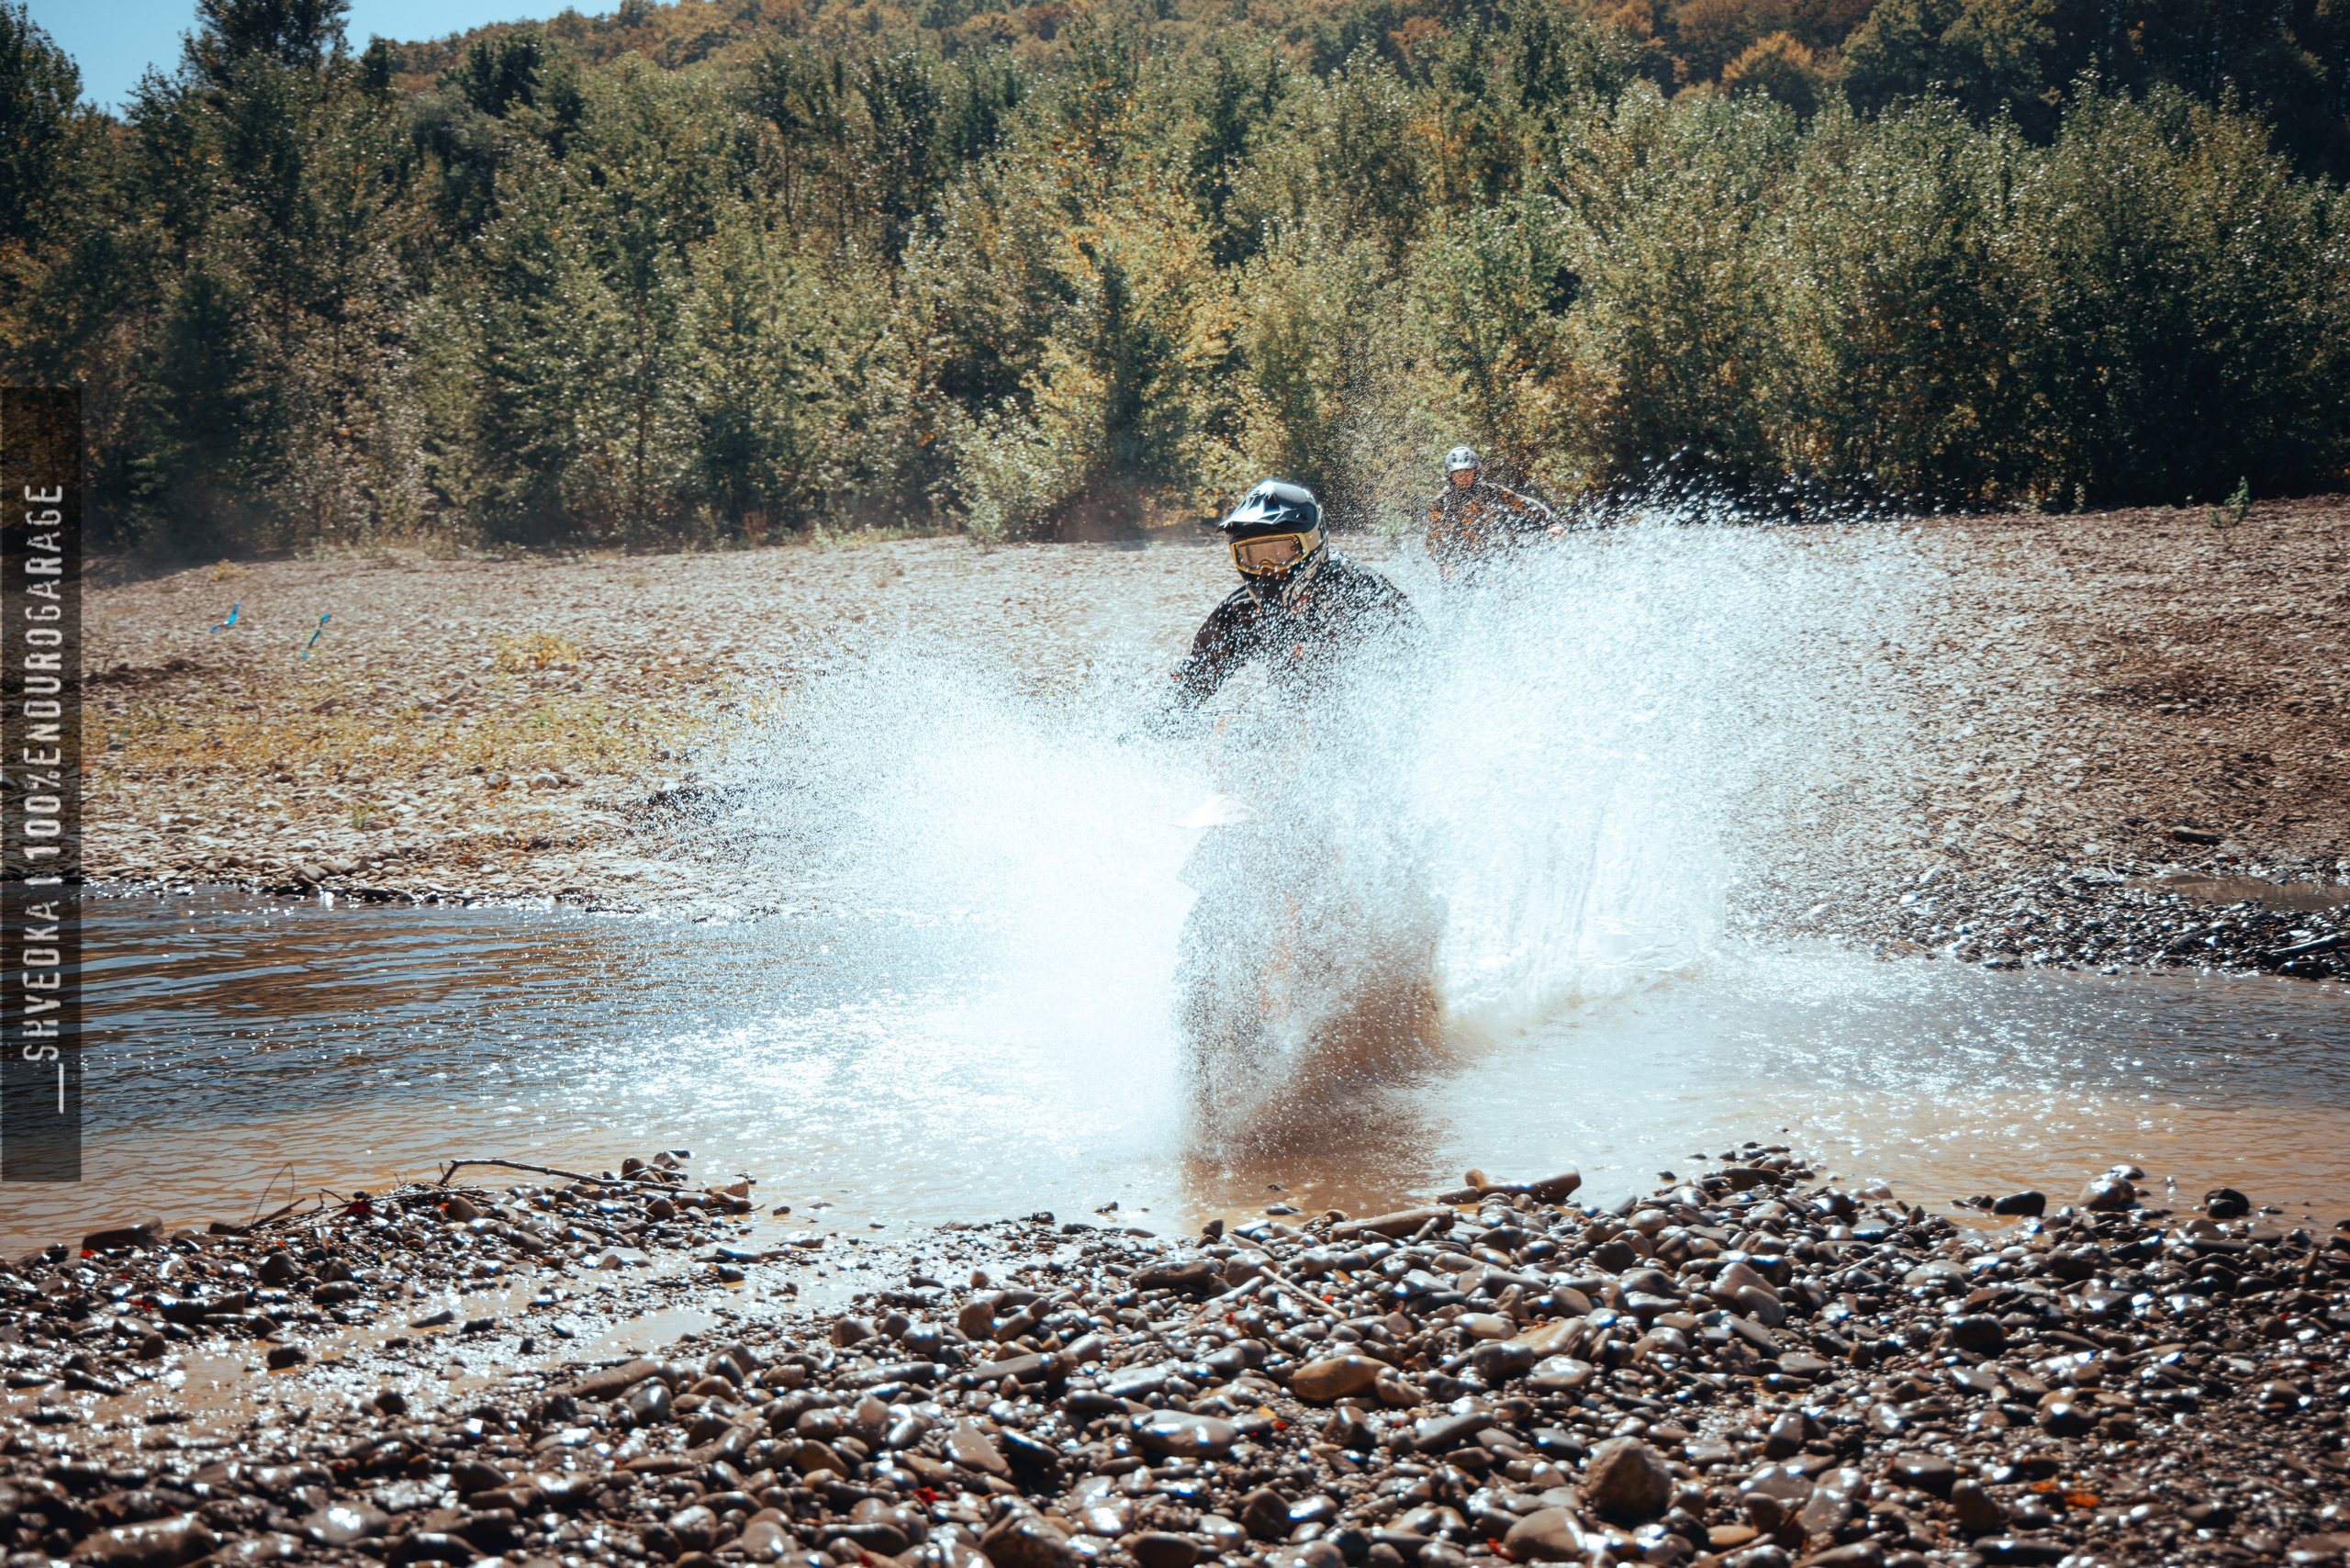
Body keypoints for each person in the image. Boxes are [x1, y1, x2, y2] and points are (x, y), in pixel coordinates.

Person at [1168, 479, 1420, 715]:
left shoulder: (1361, 590)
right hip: (1291, 725)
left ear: (1311, 543)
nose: (1267, 568)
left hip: (1368, 719)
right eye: (1253, 556)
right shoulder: (1242, 610)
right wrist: (1169, 712)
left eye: (1279, 552)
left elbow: (1419, 660)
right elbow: (1200, 668)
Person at [1423, 444, 1562, 577]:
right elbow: (1433, 540)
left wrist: (1551, 522)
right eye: (1458, 473)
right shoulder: (1440, 502)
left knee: (1518, 567)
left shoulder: (1490, 492)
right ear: (1450, 475)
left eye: (1468, 472)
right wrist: (1444, 563)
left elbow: (1524, 504)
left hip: (1488, 554)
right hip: (1456, 561)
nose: (1463, 477)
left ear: (1476, 472)